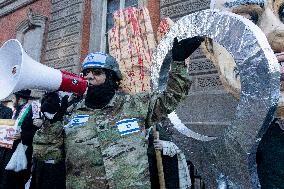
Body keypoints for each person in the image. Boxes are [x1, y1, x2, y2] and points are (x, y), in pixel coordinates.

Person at [32, 36, 203, 189]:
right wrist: (50, 122)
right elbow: (47, 154)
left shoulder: (136, 104)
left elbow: (171, 97)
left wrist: (178, 63)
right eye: (86, 73)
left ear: (113, 78)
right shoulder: (70, 113)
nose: (90, 77)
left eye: (97, 72)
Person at [0, 89, 39, 189]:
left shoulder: (32, 109)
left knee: (16, 180)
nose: (12, 101)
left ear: (20, 99)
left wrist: (22, 135)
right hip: (9, 150)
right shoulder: (15, 110)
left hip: (22, 151)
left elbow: (37, 132)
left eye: (13, 98)